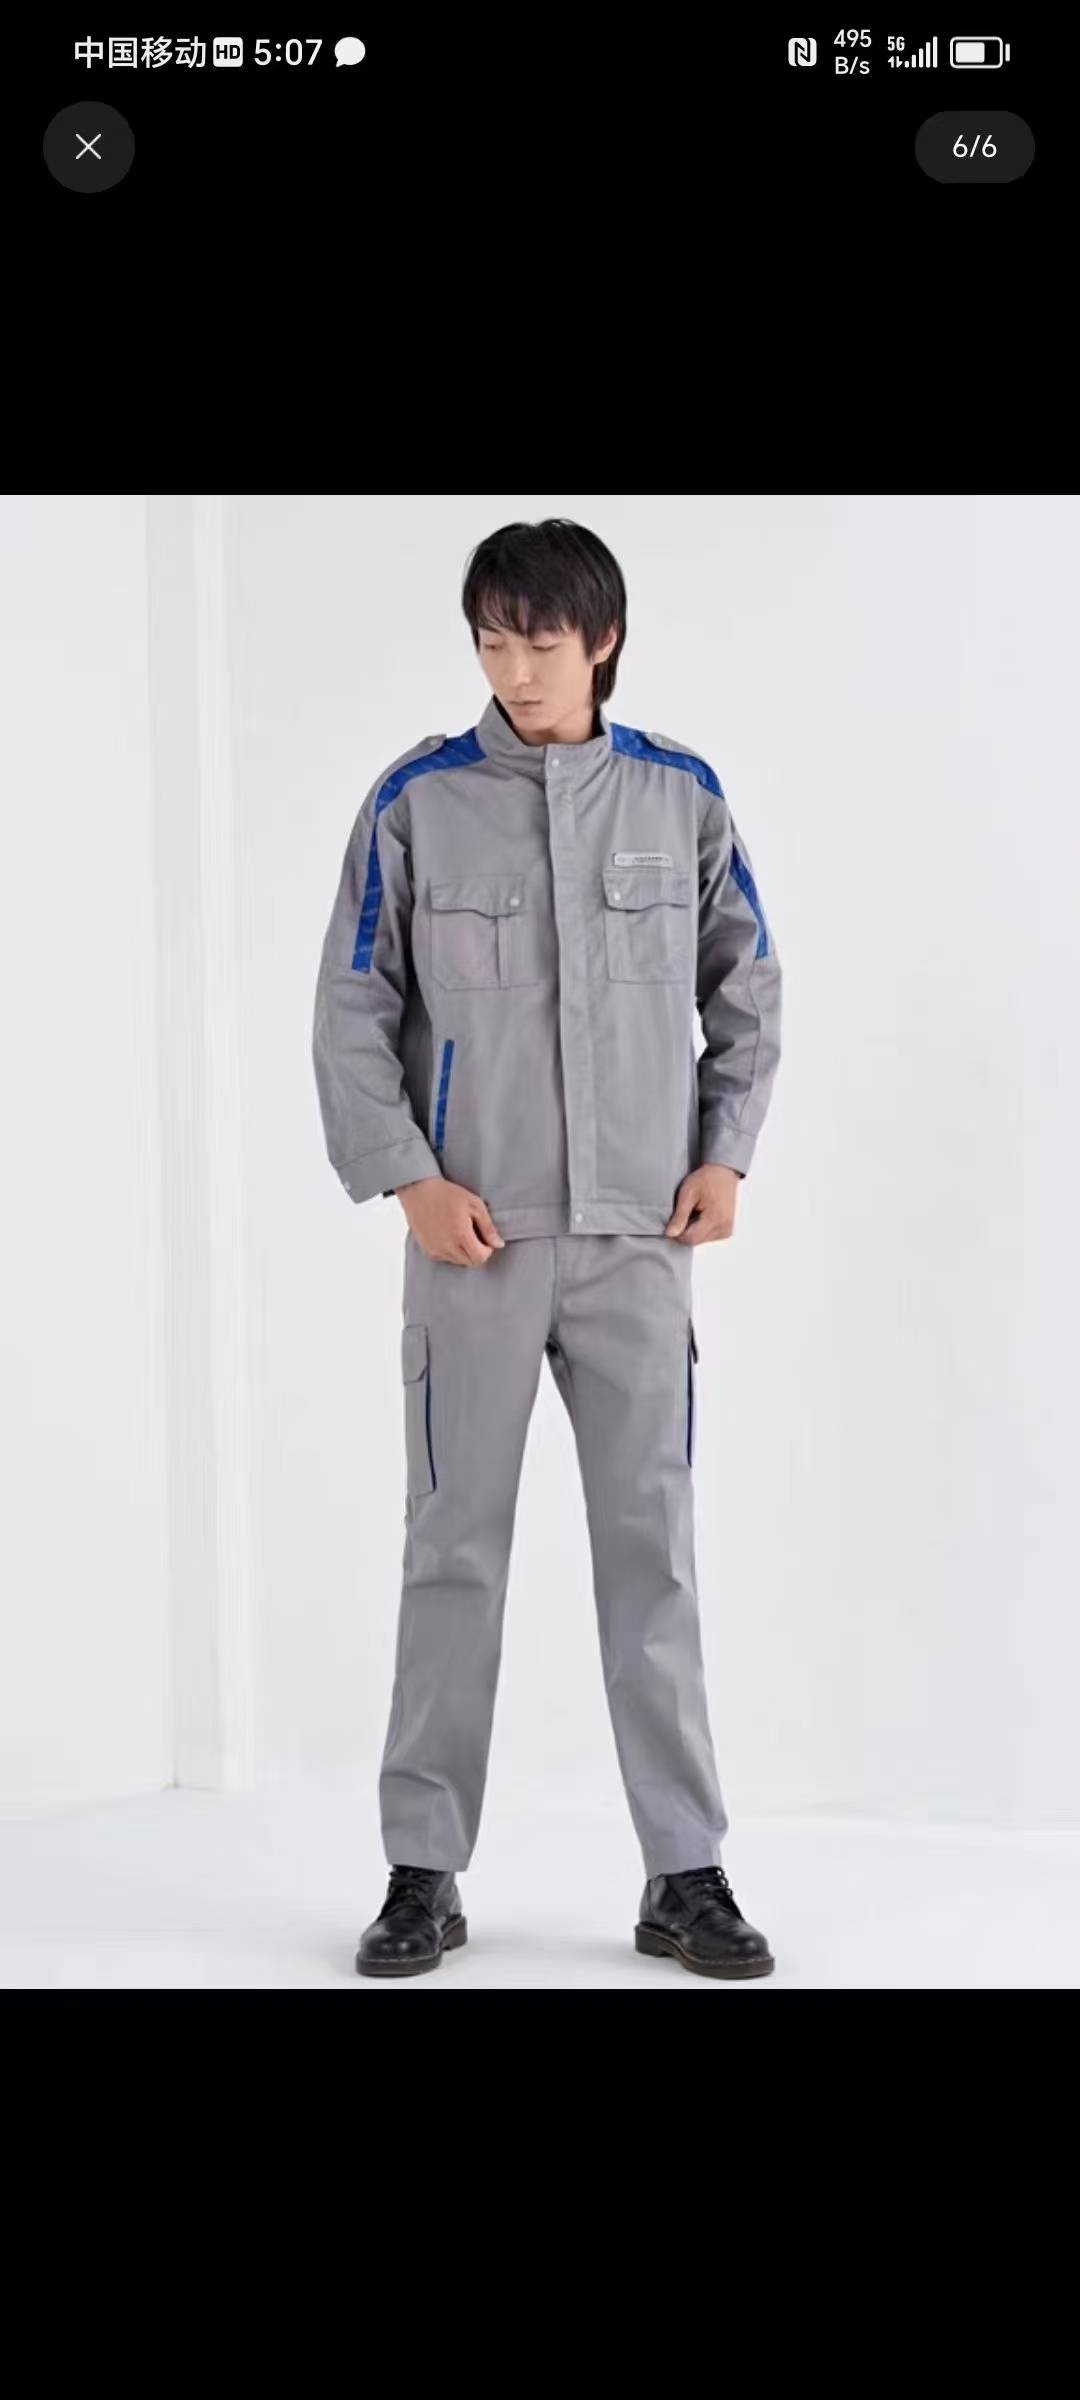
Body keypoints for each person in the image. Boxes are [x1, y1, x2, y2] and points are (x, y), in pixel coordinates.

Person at [312, 517, 783, 1980]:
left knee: (656, 1554)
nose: (515, 668)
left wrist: (725, 1151)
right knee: (452, 1549)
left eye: (542, 638)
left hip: (641, 1241)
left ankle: (685, 1872)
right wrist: (408, 1181)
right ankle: (422, 1871)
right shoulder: (417, 802)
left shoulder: (679, 796)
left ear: (604, 640)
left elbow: (748, 987)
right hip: (476, 1242)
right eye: (492, 639)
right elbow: (350, 1005)